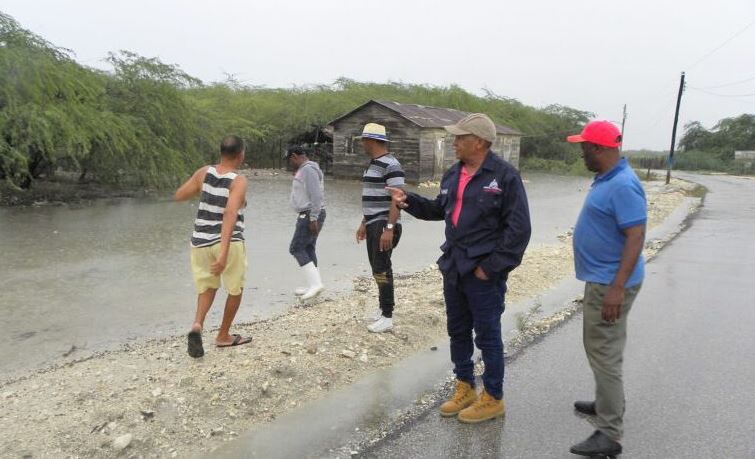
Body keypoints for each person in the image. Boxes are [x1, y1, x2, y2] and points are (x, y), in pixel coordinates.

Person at [387, 113, 531, 423]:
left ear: (478, 142)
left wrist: (491, 268)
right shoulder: (453, 174)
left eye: (459, 138)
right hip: (453, 265)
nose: (453, 143)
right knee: (458, 330)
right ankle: (465, 386)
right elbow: (440, 209)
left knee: (488, 335)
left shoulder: (504, 177)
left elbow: (518, 231)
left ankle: (493, 396)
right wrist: (407, 201)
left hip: (483, 271)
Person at [566, 120, 647, 457]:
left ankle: (609, 433)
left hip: (610, 283)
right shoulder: (608, 178)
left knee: (604, 354)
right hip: (603, 278)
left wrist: (616, 288)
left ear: (598, 148)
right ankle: (604, 404)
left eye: (584, 146)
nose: (581, 151)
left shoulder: (623, 185)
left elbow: (636, 236)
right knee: (604, 349)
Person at [174, 135, 252, 358]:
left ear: (221, 152)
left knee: (207, 287)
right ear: (241, 155)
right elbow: (230, 212)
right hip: (227, 241)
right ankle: (223, 336)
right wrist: (224, 251)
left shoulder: (203, 173)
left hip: (199, 241)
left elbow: (179, 195)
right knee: (235, 288)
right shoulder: (238, 180)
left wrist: (203, 190)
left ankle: (197, 325)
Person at [355, 123, 405, 333]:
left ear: (374, 141)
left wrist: (390, 228)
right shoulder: (373, 164)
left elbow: (398, 198)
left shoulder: (391, 165)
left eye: (365, 140)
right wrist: (364, 222)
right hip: (374, 222)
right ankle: (382, 308)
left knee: (383, 268)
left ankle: (387, 315)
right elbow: (372, 197)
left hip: (385, 224)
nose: (363, 143)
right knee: (377, 268)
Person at [285, 146, 326, 301]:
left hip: (310, 214)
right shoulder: (305, 170)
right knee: (308, 247)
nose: (289, 164)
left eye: (290, 160)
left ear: (295, 156)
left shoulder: (308, 170)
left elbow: (316, 195)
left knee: (296, 248)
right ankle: (314, 284)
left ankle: (315, 284)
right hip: (309, 213)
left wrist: (313, 218)